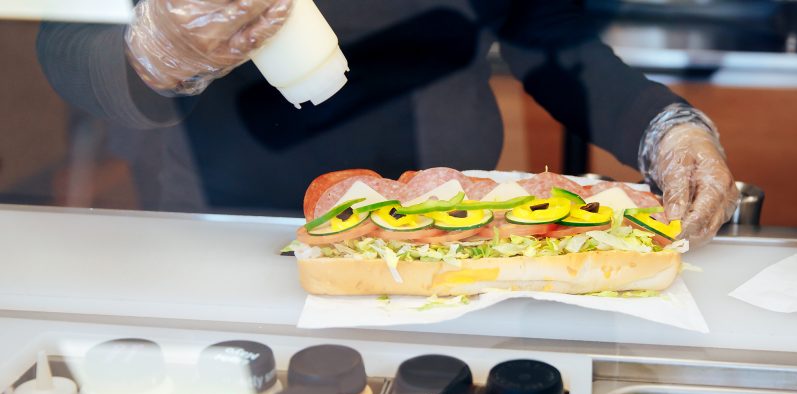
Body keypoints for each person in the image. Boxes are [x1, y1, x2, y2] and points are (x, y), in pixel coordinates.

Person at [36, 0, 738, 248]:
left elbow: (550, 36)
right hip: (232, 232)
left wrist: (662, 125)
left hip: (455, 232)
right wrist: (149, 51)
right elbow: (59, 41)